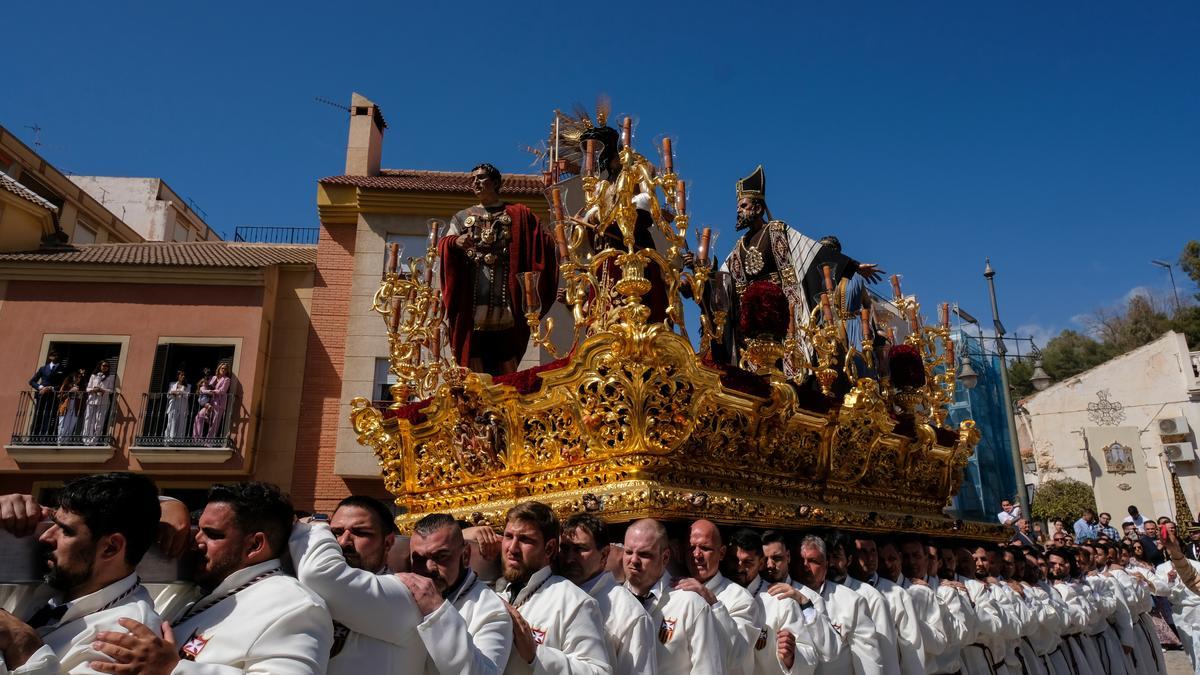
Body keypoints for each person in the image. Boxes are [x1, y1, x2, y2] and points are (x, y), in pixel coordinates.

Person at [91, 482, 333, 673]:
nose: (197, 541)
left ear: (255, 544)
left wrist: (173, 669)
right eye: (198, 528)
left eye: (212, 534)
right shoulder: (199, 589)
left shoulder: (294, 606)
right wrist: (168, 504)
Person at [718, 166, 882, 369]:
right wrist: (702, 274)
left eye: (743, 206)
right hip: (752, 320)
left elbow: (812, 250)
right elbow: (721, 277)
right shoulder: (737, 249)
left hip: (782, 313)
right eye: (738, 207)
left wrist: (854, 266)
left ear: (758, 208)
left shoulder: (776, 230)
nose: (738, 211)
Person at [0, 473, 165, 674]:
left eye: (66, 531)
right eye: (53, 523)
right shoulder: (54, 579)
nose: (45, 536)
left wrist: (23, 646)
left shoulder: (129, 636)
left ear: (110, 548)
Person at [287, 494, 427, 674]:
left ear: (388, 542)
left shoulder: (404, 596)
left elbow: (318, 574)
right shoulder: (311, 587)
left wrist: (317, 524)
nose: (343, 542)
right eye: (335, 532)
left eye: (361, 533)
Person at [439, 163, 558, 376]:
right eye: (473, 179)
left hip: (506, 308)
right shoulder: (462, 217)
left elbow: (544, 242)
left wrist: (562, 240)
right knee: (474, 370)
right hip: (473, 309)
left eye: (481, 178)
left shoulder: (518, 214)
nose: (475, 182)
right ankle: (478, 407)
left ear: (495, 183)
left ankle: (507, 404)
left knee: (507, 368)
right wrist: (455, 242)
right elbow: (444, 243)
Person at [494, 502, 609, 674]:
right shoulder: (494, 597)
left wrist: (536, 653)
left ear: (549, 548)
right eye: (509, 536)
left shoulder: (574, 602)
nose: (512, 548)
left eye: (525, 539)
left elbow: (598, 671)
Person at [408, 512, 513, 674]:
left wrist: (437, 611)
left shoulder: (491, 611)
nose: (428, 568)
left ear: (465, 556)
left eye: (440, 557)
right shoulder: (406, 592)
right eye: (419, 559)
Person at [558, 514, 655, 674]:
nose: (569, 558)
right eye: (565, 549)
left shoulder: (629, 613)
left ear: (604, 554)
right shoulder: (552, 596)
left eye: (580, 549)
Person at [622, 518, 721, 674]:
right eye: (628, 552)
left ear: (665, 557)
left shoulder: (690, 604)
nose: (633, 560)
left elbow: (707, 669)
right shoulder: (613, 601)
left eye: (644, 554)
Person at [789, 535, 883, 675]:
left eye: (813, 561)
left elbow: (869, 660)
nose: (805, 566)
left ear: (826, 565)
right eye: (800, 560)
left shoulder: (852, 601)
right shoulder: (783, 596)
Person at [680, 520, 760, 675]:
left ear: (722, 553)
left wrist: (712, 602)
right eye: (691, 548)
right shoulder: (675, 588)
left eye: (705, 548)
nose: (697, 554)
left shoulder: (740, 599)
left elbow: (737, 655)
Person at [827, 537, 900, 675]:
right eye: (827, 557)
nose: (831, 563)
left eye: (836, 557)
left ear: (849, 560)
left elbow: (887, 656)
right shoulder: (815, 594)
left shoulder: (871, 597)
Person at [27, 351, 65, 439]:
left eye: (58, 355)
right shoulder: (43, 368)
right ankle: (33, 438)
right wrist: (40, 387)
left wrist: (50, 388)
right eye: (54, 355)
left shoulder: (62, 369)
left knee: (49, 416)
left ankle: (45, 438)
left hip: (53, 397)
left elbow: (62, 385)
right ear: (50, 357)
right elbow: (32, 381)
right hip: (41, 396)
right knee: (38, 416)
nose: (56, 357)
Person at [81, 361, 114, 445]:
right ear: (100, 366)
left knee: (99, 421)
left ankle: (94, 441)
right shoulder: (94, 376)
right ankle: (86, 440)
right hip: (92, 400)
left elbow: (111, 390)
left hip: (103, 402)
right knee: (88, 420)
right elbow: (88, 388)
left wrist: (102, 390)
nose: (105, 367)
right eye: (104, 365)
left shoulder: (110, 377)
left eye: (107, 366)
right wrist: (93, 390)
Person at [55, 370, 84, 445]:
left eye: (80, 377)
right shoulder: (66, 385)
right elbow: (59, 396)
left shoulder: (80, 387)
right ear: (73, 377)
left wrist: (79, 395)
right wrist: (70, 391)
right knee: (63, 425)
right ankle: (60, 443)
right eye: (77, 376)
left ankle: (66, 443)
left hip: (75, 407)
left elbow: (82, 398)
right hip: (66, 406)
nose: (78, 378)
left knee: (71, 426)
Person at [204, 363, 232, 439]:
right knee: (204, 419)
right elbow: (207, 386)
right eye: (222, 368)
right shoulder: (214, 378)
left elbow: (223, 391)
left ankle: (209, 441)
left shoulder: (227, 379)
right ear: (219, 369)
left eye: (225, 369)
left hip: (219, 403)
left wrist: (212, 391)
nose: (223, 370)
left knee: (215, 423)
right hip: (211, 401)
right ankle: (198, 438)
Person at [164, 370, 190, 441]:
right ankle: (168, 439)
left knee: (181, 423)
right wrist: (176, 393)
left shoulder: (187, 386)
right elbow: (168, 395)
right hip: (173, 405)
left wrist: (178, 392)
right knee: (171, 422)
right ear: (178, 376)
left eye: (184, 375)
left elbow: (187, 395)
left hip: (183, 406)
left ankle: (179, 440)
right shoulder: (172, 384)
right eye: (181, 375)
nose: (183, 376)